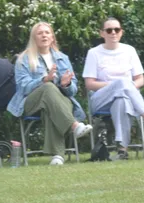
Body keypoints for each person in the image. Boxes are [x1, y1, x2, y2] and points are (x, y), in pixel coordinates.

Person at [7, 22, 92, 165]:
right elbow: (23, 87)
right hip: (30, 101)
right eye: (40, 33)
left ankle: (57, 156)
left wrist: (66, 84)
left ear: (52, 37)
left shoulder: (62, 58)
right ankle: (74, 126)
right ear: (34, 38)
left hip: (58, 102)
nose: (44, 35)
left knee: (50, 106)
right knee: (48, 87)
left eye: (47, 32)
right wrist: (44, 79)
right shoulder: (24, 59)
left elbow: (73, 90)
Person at [83, 17, 144, 161]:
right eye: (109, 30)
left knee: (121, 101)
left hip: (127, 98)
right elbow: (89, 84)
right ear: (102, 33)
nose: (113, 33)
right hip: (100, 99)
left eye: (117, 29)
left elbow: (140, 80)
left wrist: (124, 88)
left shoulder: (129, 50)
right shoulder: (93, 53)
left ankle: (122, 150)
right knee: (121, 83)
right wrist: (116, 85)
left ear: (121, 32)